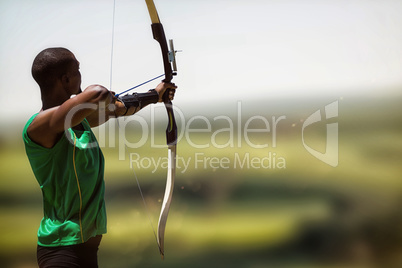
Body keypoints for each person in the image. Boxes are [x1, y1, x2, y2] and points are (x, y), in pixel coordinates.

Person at [22, 47, 176, 268]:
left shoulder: (79, 121)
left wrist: (155, 95)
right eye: (77, 70)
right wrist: (98, 97)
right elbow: (99, 94)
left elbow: (118, 108)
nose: (80, 75)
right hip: (61, 251)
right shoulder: (39, 126)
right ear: (66, 79)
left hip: (86, 250)